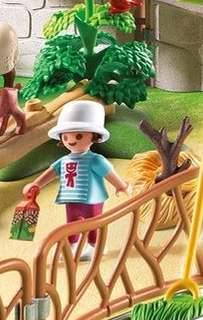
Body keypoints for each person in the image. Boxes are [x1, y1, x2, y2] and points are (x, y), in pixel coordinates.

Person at [23, 100, 128, 261]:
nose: (71, 140)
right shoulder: (64, 160)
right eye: (66, 136)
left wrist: (121, 186)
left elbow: (109, 173)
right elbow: (51, 172)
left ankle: (95, 246)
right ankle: (71, 246)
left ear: (95, 136)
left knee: (93, 224)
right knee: (71, 224)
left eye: (79, 136)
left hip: (92, 199)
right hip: (70, 198)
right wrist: (36, 183)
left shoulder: (95, 160)